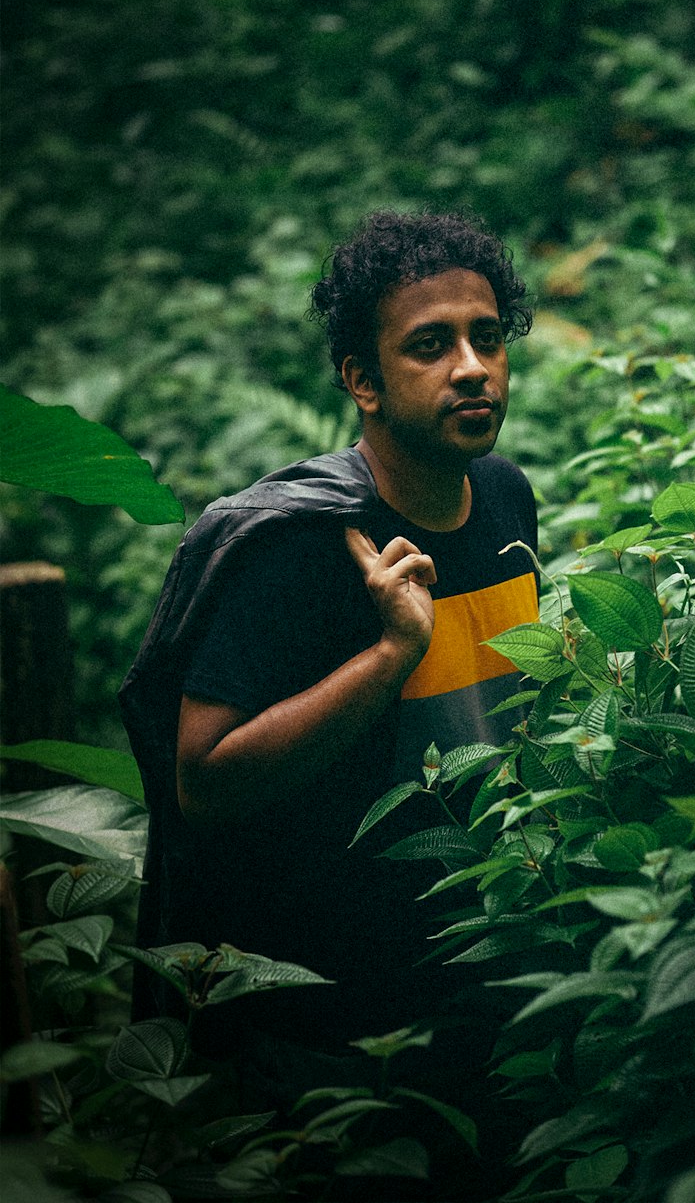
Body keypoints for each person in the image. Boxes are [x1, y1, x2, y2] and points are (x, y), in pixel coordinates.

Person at [119, 210, 539, 1125]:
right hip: (330, 1026)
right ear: (364, 382)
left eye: (487, 337)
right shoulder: (301, 547)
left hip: (489, 976)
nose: (472, 366)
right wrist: (389, 656)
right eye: (431, 345)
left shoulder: (505, 497)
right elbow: (204, 782)